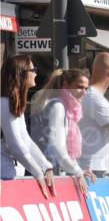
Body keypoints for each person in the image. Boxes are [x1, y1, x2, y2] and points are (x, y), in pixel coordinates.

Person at [30, 68, 93, 192]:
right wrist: (77, 171)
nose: (84, 92)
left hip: (48, 172)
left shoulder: (64, 107)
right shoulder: (58, 106)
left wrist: (78, 168)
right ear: (65, 85)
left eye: (87, 88)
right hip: (46, 174)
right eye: (79, 87)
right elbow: (56, 147)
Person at [1, 56, 55, 196]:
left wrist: (46, 166)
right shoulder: (4, 103)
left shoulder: (12, 101)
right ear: (21, 73)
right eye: (33, 70)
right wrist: (38, 173)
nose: (36, 73)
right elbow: (15, 144)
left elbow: (25, 139)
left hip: (8, 168)